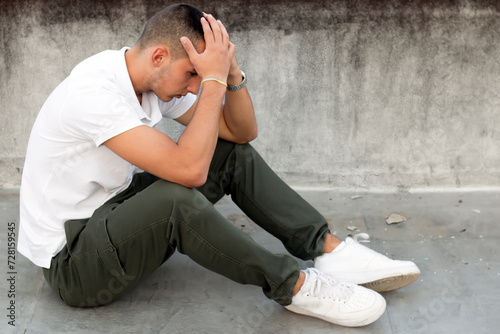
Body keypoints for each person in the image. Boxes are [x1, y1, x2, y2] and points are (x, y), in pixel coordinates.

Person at [18, 4, 420, 328]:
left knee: (228, 156)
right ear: (160, 56)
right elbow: (190, 171)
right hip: (74, 265)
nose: (193, 86)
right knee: (177, 196)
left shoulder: (151, 76)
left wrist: (230, 75)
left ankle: (328, 249)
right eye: (191, 74)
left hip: (110, 217)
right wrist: (210, 82)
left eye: (198, 76)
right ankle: (293, 286)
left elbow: (240, 134)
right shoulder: (94, 95)